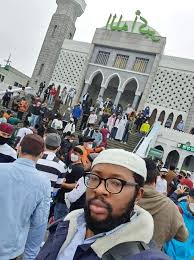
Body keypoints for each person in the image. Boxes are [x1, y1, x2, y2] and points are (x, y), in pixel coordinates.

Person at [37, 149, 170, 260]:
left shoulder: (143, 256)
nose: (100, 189)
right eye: (94, 178)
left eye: (116, 183)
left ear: (138, 195)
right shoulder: (66, 225)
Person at [0, 134, 51, 260]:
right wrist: (30, 256)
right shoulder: (43, 182)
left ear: (19, 148)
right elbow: (39, 223)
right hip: (9, 249)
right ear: (41, 154)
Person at [138, 158, 188, 249]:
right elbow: (183, 236)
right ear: (155, 179)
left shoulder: (120, 198)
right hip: (152, 254)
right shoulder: (170, 207)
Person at [54, 146, 85, 220]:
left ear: (80, 156)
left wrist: (63, 184)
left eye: (75, 154)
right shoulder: (71, 164)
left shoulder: (80, 169)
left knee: (59, 219)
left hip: (66, 199)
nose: (73, 155)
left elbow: (77, 185)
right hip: (60, 195)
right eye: (72, 153)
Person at [164, 188, 194, 259]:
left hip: (187, 256)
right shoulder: (177, 210)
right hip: (168, 254)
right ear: (188, 198)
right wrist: (175, 193)